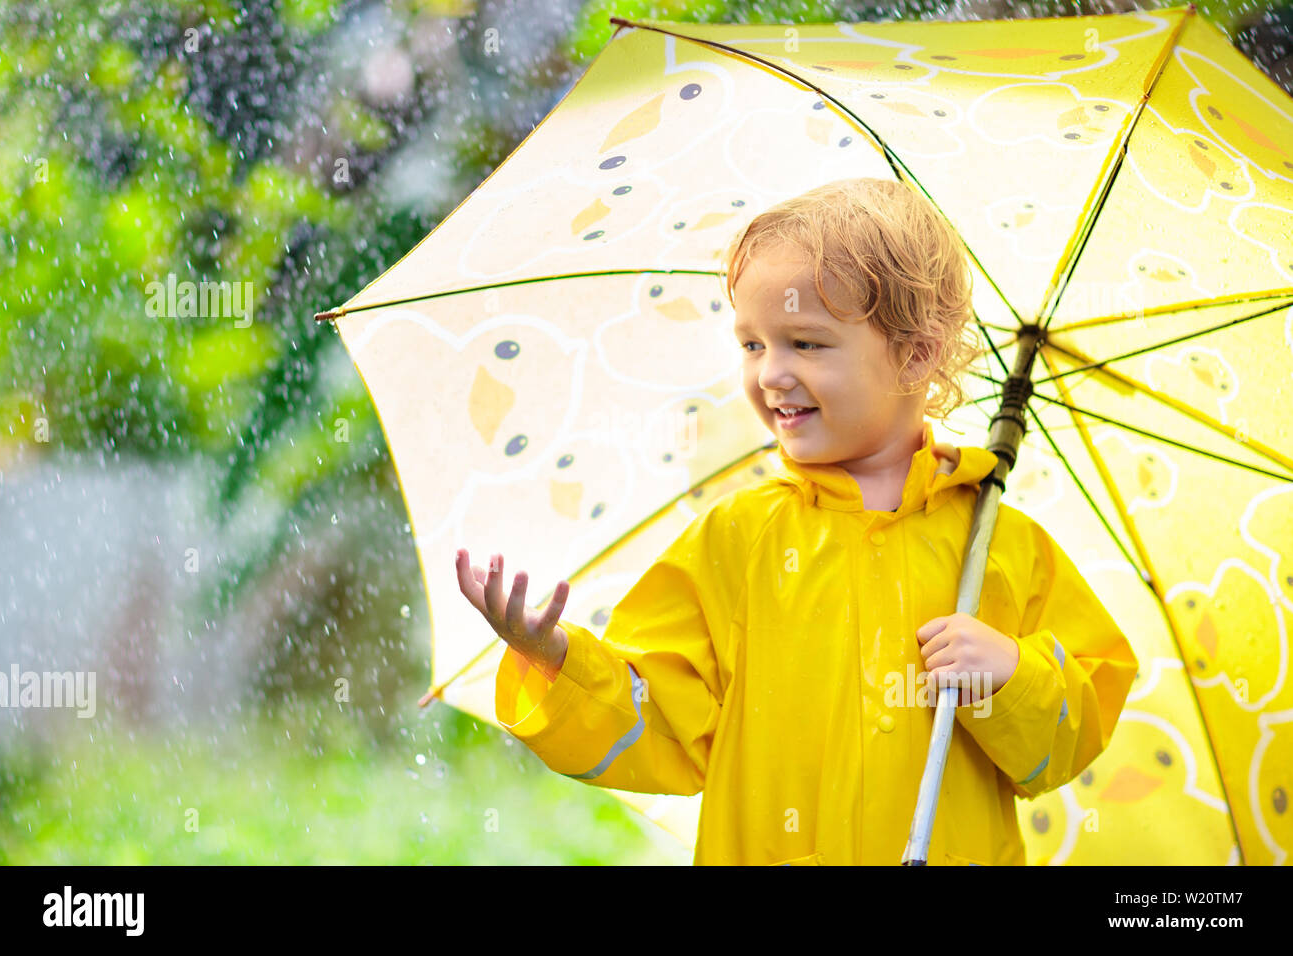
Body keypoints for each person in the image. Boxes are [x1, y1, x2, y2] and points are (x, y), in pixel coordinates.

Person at [453, 177, 1138, 865]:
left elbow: (1067, 740)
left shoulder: (1000, 548)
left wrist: (1012, 675)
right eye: (753, 345)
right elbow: (660, 722)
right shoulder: (737, 542)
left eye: (805, 344)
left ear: (916, 353)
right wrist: (558, 662)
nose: (771, 375)